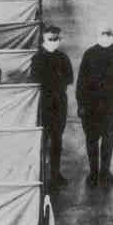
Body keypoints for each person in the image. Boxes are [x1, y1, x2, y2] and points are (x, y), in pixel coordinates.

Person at [77, 26, 113, 186]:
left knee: (109, 140)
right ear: (97, 35)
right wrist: (81, 104)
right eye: (103, 34)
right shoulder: (89, 53)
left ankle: (105, 172)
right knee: (92, 140)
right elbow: (81, 82)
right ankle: (93, 172)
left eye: (109, 34)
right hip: (91, 108)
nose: (106, 37)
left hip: (112, 108)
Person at [31, 26, 74, 188]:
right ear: (43, 40)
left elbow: (69, 77)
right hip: (43, 105)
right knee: (42, 141)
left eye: (56, 39)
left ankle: (55, 174)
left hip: (59, 104)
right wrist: (56, 81)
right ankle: (40, 174)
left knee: (57, 140)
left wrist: (54, 82)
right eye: (51, 39)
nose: (54, 42)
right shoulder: (37, 59)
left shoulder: (63, 57)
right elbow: (35, 80)